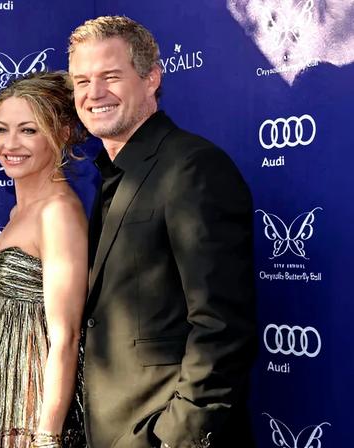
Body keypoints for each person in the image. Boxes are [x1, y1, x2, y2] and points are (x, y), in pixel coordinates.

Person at [68, 16, 257, 448]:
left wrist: (174, 438)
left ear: (151, 78)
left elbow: (221, 328)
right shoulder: (112, 177)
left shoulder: (192, 169)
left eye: (110, 76)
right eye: (82, 80)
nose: (93, 93)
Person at [0, 71, 89, 448]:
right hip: (0, 397)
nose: (10, 144)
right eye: (1, 129)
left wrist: (47, 435)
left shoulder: (58, 213)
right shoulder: (21, 212)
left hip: (32, 409)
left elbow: (65, 337)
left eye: (28, 130)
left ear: (63, 133)